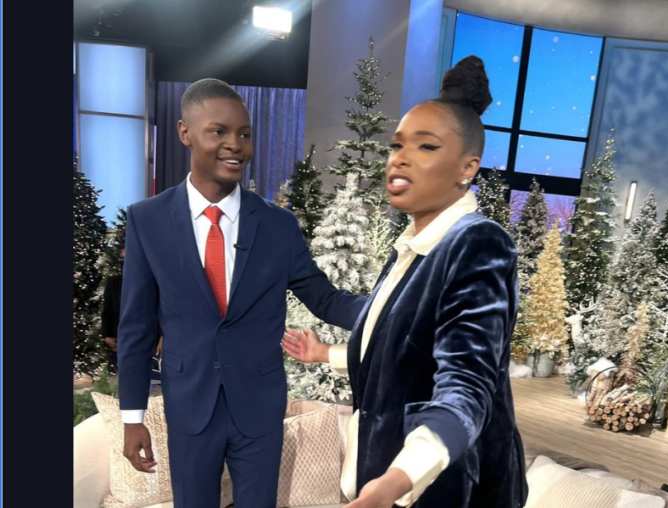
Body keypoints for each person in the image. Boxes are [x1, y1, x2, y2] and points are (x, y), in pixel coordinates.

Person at [283, 56, 528, 508]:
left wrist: (395, 482)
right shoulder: (412, 250)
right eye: (397, 145)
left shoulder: (479, 243)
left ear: (467, 167)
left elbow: (466, 385)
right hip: (387, 478)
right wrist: (325, 354)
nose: (400, 157)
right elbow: (403, 348)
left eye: (426, 146)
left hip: (445, 491)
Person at [117, 78, 366, 508]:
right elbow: (136, 326)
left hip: (259, 405)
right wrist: (132, 416)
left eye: (245, 134)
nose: (235, 145)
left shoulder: (278, 226)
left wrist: (393, 307)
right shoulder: (148, 220)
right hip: (189, 404)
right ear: (185, 133)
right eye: (219, 131)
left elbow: (324, 298)